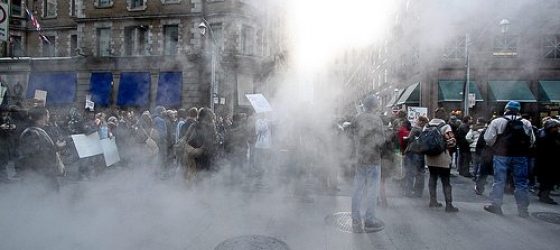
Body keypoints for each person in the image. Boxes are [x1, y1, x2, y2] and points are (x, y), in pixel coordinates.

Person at [483, 101, 535, 217]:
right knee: (521, 183)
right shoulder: (526, 123)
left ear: (506, 109)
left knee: (499, 181)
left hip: (501, 155)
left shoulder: (497, 121)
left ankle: (496, 206)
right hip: (520, 156)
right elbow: (532, 141)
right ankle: (523, 210)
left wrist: (496, 147)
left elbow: (489, 139)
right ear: (518, 110)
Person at [349, 95, 385, 232]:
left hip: (360, 157)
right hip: (373, 159)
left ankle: (355, 218)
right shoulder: (377, 119)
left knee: (357, 188)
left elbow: (353, 136)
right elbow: (381, 140)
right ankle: (369, 219)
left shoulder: (357, 118)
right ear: (374, 105)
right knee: (372, 190)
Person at [16, 107, 63, 191]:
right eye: (47, 114)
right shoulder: (30, 133)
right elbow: (35, 155)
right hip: (38, 175)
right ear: (43, 116)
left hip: (44, 173)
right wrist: (56, 148)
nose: (49, 117)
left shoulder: (39, 130)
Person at [425, 108, 459, 212]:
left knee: (432, 178)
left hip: (430, 157)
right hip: (442, 156)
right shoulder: (445, 126)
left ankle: (433, 201)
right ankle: (449, 205)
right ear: (443, 116)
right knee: (445, 181)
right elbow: (452, 141)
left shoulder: (427, 126)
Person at [535, 119, 560, 205]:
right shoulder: (547, 137)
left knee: (546, 180)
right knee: (548, 180)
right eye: (556, 127)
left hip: (545, 162)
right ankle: (544, 195)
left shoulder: (543, 134)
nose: (557, 129)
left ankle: (543, 193)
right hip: (548, 163)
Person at [402, 116, 429, 197]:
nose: (416, 121)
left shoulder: (415, 129)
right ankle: (418, 192)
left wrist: (406, 138)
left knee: (410, 172)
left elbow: (409, 139)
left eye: (417, 120)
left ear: (420, 121)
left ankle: (408, 191)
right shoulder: (424, 130)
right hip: (420, 153)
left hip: (412, 152)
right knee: (420, 173)